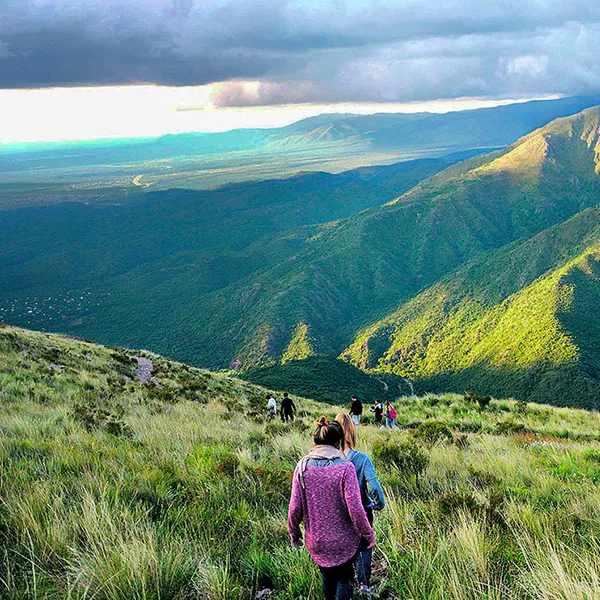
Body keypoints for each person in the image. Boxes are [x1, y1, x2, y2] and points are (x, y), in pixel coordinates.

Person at [288, 417, 375, 600]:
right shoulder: (345, 468)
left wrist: (294, 534)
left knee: (327, 575)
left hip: (317, 541)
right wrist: (368, 534)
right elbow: (356, 510)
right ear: (339, 441)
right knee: (345, 578)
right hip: (345, 541)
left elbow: (295, 508)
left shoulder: (302, 467)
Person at [335, 413, 385, 596]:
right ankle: (364, 585)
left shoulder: (329, 460)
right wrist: (378, 504)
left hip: (338, 514)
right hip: (363, 510)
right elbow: (375, 487)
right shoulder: (362, 459)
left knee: (343, 552)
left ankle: (344, 586)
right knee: (365, 548)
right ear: (353, 432)